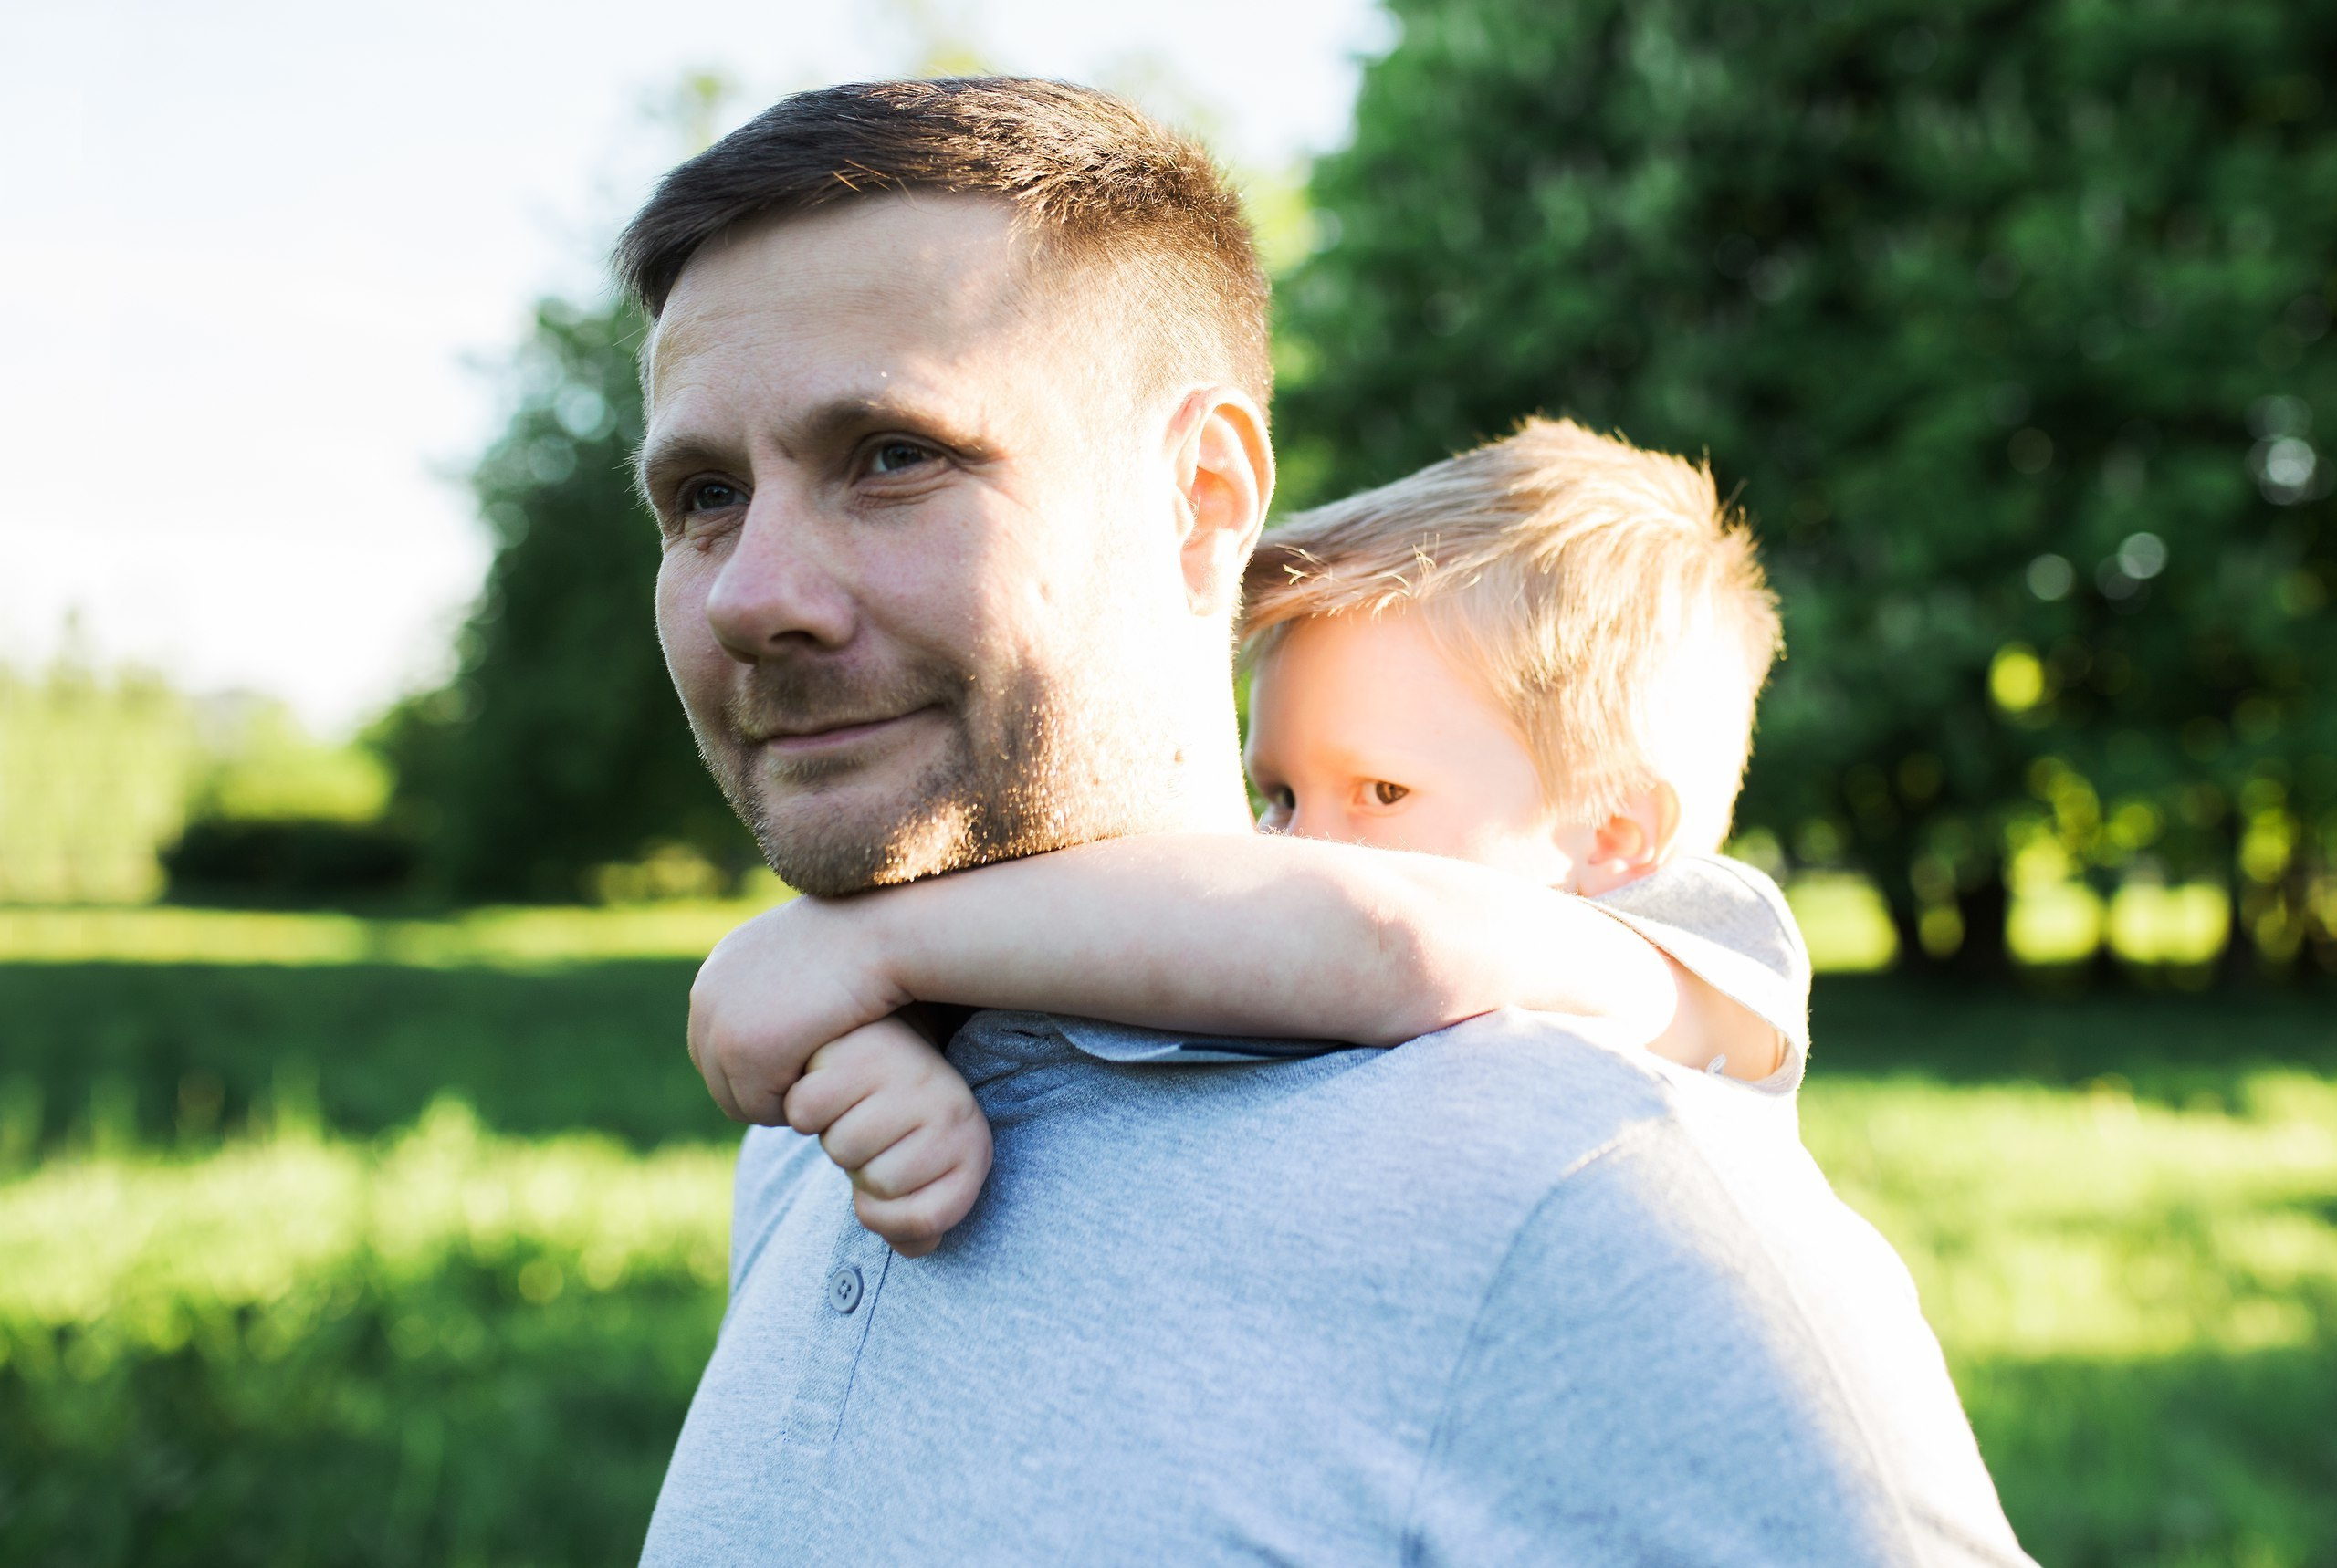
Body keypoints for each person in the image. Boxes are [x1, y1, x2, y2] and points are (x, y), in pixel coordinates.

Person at [625, 76, 2035, 1564]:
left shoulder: (1587, 1185)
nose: (750, 592)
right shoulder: (829, 1108)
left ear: (1201, 493)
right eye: (705, 494)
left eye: (895, 454)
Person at [688, 416, 1813, 1257]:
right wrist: (894, 1036)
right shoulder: (1316, 978)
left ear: (1614, 829)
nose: (1293, 848)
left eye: (1378, 792)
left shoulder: (1687, 967)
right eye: (1275, 793)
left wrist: (867, 948)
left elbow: (1387, 941)